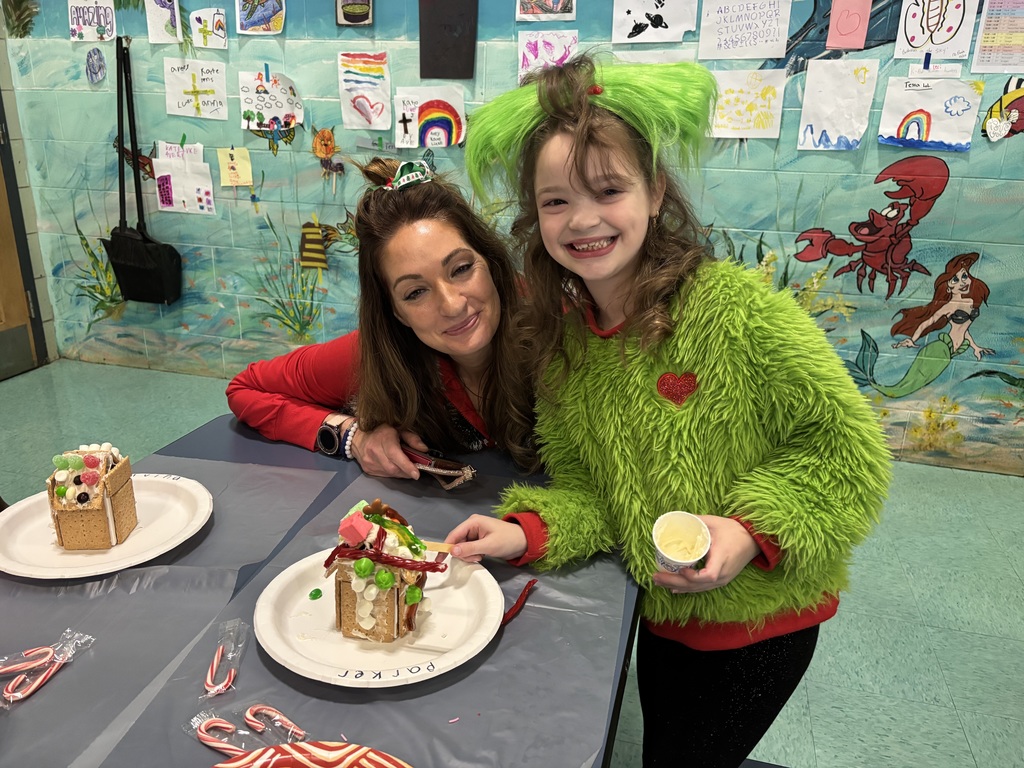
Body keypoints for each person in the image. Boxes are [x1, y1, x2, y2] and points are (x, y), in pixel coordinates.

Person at [447, 55, 892, 767]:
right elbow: (592, 494)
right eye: (556, 201)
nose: (582, 219)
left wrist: (750, 530)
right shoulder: (563, 347)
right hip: (660, 614)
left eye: (608, 189)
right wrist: (525, 531)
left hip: (761, 623)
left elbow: (848, 450)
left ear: (654, 191)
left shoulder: (735, 311)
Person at [227, 157, 537, 478]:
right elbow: (246, 388)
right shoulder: (374, 353)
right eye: (415, 292)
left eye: (461, 268)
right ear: (395, 311)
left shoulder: (553, 320)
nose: (452, 305)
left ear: (490, 261)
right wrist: (351, 436)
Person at [843, 252, 994, 398]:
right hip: (938, 350)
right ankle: (870, 381)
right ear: (948, 287)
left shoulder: (970, 302)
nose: (962, 282)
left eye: (964, 276)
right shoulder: (949, 306)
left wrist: (975, 347)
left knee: (913, 385)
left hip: (951, 353)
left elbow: (964, 329)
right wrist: (912, 340)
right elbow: (927, 322)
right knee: (910, 383)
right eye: (955, 279)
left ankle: (871, 381)